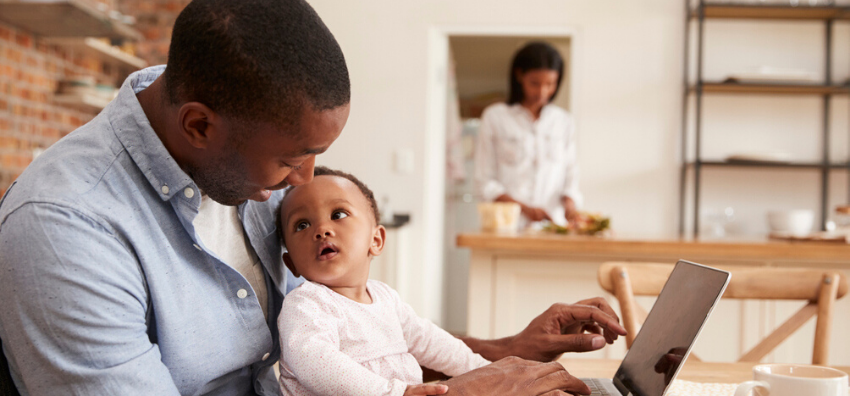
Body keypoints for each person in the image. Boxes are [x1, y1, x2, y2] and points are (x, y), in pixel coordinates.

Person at [0, 1, 625, 395]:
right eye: (289, 160)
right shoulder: (65, 230)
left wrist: (506, 351)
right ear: (198, 125)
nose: (304, 183)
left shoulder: (240, 161)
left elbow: (353, 339)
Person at [277, 166, 489, 395]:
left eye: (337, 214)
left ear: (376, 239)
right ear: (292, 265)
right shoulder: (305, 304)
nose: (321, 230)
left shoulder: (386, 298)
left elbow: (431, 341)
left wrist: (483, 369)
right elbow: (315, 361)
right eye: (302, 225)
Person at [475, 41, 581, 225]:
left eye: (550, 84)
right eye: (534, 83)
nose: (542, 92)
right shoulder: (495, 117)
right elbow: (484, 182)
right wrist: (524, 209)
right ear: (519, 75)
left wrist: (571, 210)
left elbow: (571, 176)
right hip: (507, 227)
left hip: (553, 228)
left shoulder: (563, 122)